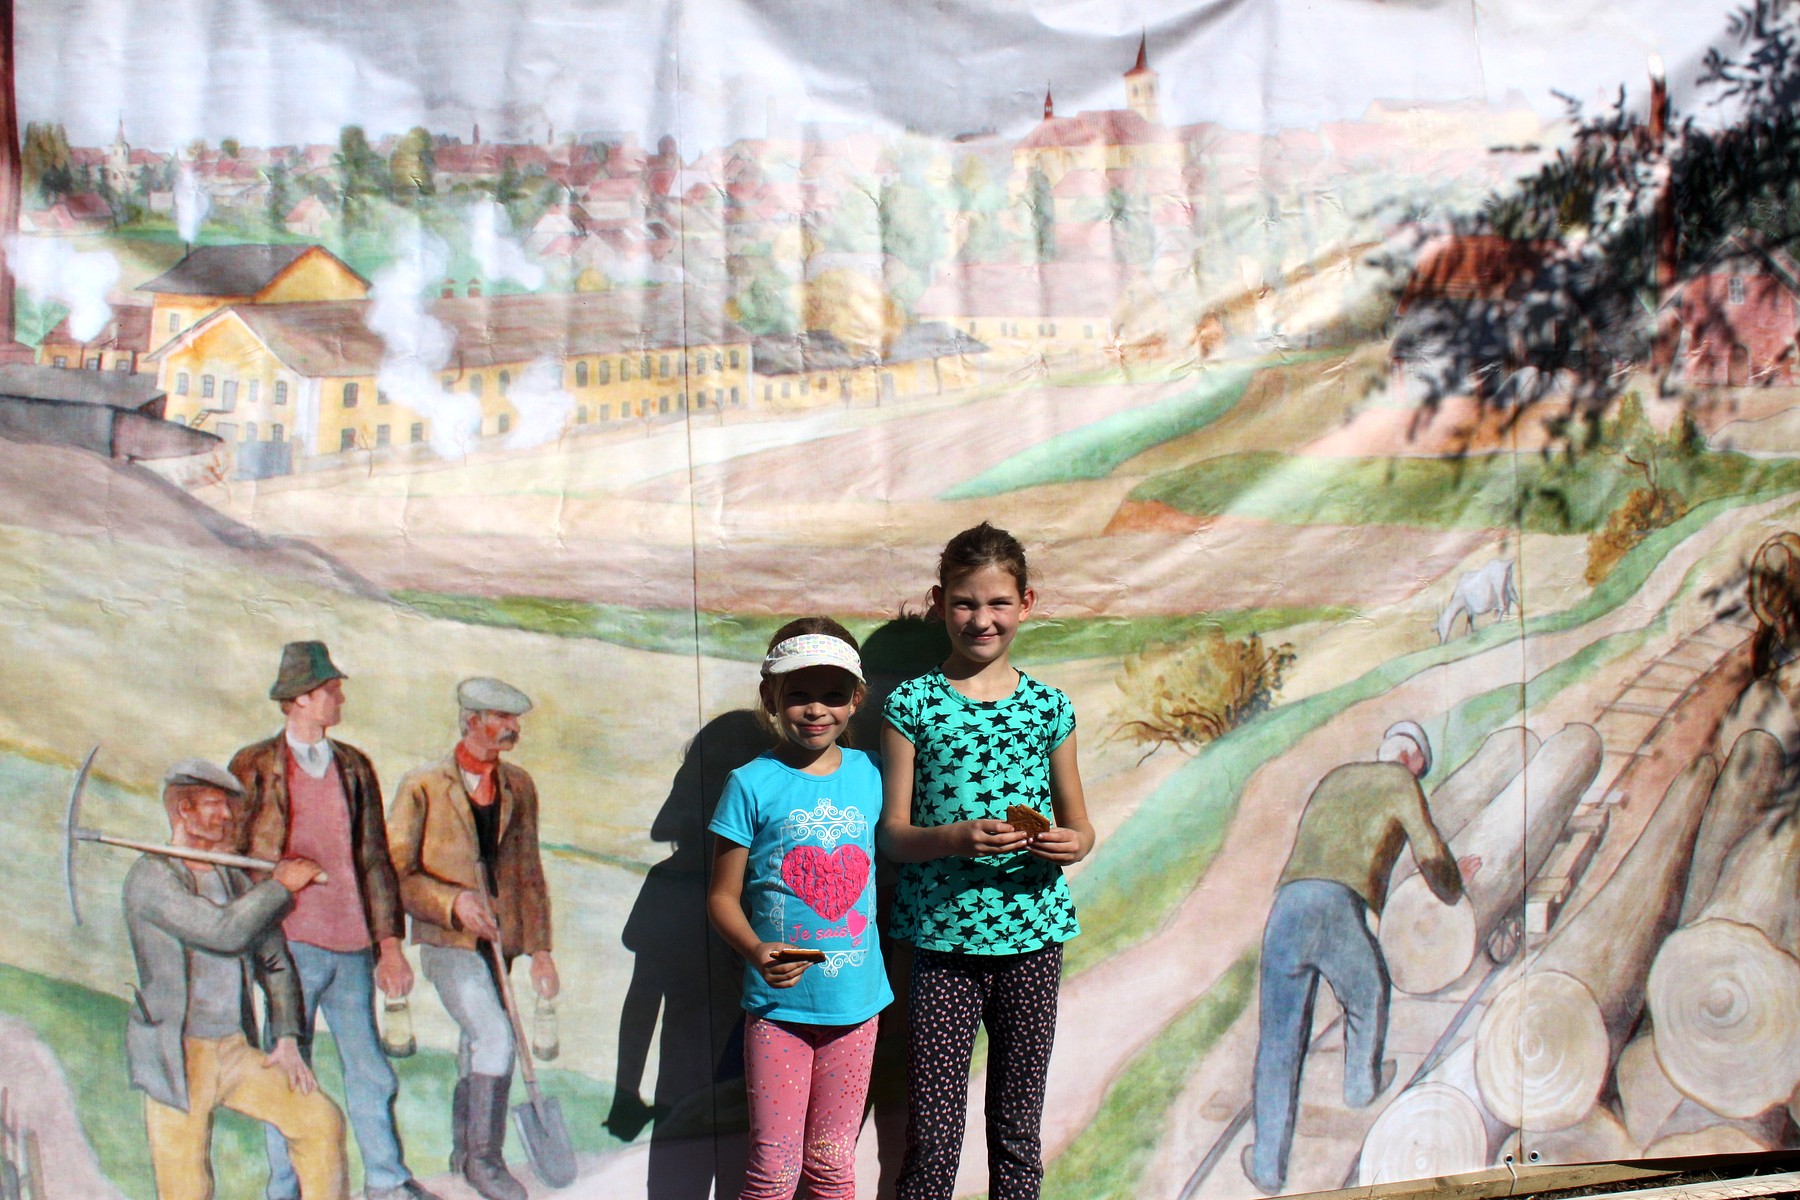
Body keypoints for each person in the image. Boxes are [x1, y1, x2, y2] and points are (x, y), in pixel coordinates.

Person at [878, 523, 1096, 1200]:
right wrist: (954, 839)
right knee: (933, 1136)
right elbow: (893, 836)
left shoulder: (1050, 708)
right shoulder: (911, 704)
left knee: (1017, 1130)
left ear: (1026, 603)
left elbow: (1080, 825)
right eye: (965, 603)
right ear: (939, 603)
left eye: (999, 602)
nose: (982, 619)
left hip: (1033, 937)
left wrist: (1073, 843)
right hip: (941, 941)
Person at [229, 642, 436, 1200]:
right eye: (330, 690)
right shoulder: (254, 766)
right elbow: (235, 858)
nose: (339, 698)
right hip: (286, 946)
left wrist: (388, 945)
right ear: (300, 698)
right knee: (286, 1070)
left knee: (370, 1069)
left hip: (352, 947)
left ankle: (387, 1182)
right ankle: (285, 1189)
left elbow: (375, 862)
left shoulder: (354, 766)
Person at [706, 619, 894, 1200]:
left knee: (832, 1166)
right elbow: (721, 896)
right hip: (778, 1012)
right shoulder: (749, 784)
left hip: (857, 1009)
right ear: (771, 697)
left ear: (856, 700)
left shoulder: (872, 774)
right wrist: (755, 949)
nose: (816, 709)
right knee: (773, 1170)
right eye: (798, 694)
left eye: (834, 694)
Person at [1242, 721, 1471, 1195]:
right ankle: (1360, 1086)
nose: (1417, 776)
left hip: (1285, 911)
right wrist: (1453, 888)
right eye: (1420, 768)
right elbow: (1429, 852)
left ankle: (1267, 1167)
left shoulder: (1337, 778)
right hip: (1333, 909)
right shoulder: (1400, 781)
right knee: (1369, 991)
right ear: (1409, 758)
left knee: (1279, 1044)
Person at [124, 758, 348, 1200]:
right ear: (184, 810)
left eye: (228, 806)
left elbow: (276, 962)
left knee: (320, 1120)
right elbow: (222, 932)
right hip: (176, 1056)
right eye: (215, 805)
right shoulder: (151, 878)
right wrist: (280, 887)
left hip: (232, 1050)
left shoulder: (233, 879)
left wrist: (287, 1038)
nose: (227, 816)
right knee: (185, 1189)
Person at [389, 678, 558, 1200]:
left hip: (501, 942)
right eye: (501, 719)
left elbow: (529, 872)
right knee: (495, 1035)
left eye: (514, 720)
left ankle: (464, 1156)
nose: (513, 728)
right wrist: (453, 903)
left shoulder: (519, 786)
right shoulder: (422, 786)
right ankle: (485, 1161)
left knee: (477, 1043)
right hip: (447, 941)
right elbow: (395, 874)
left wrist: (541, 951)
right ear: (470, 721)